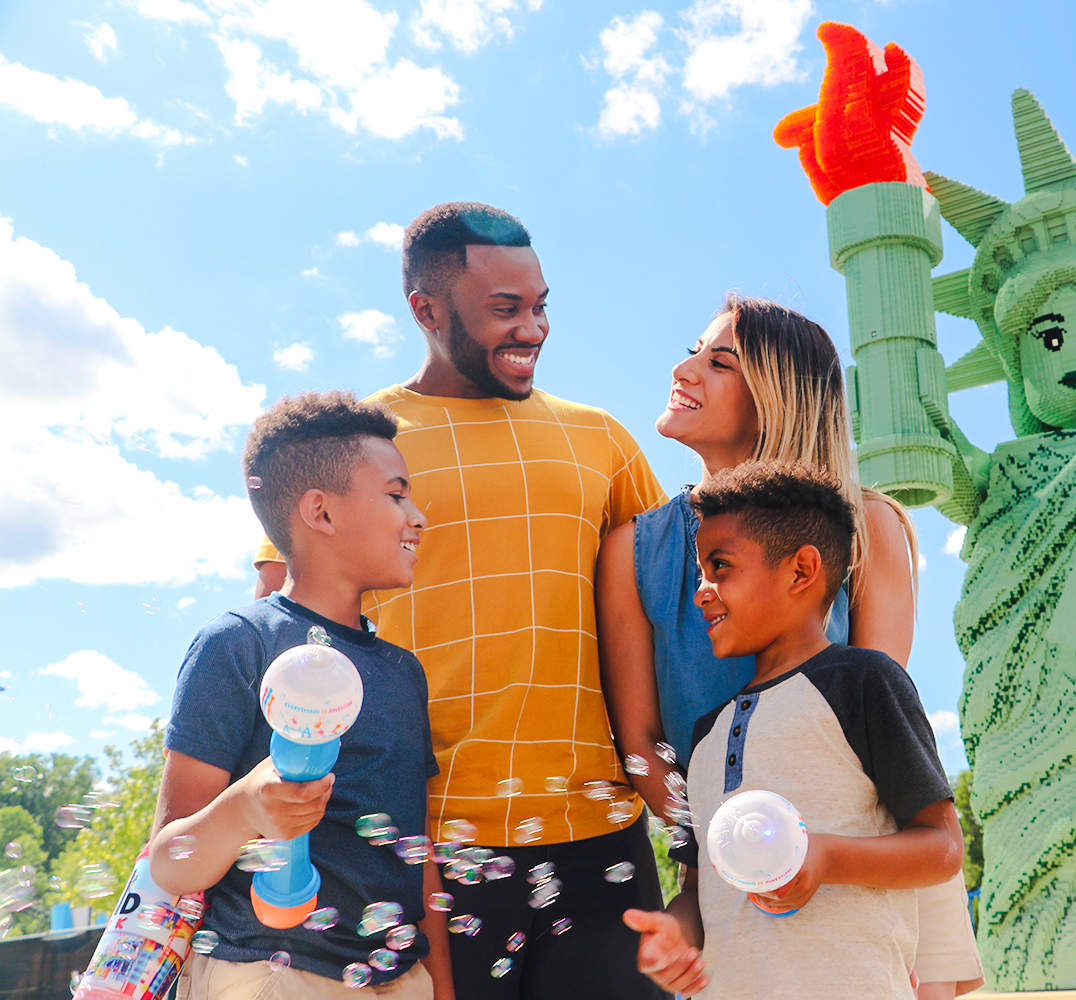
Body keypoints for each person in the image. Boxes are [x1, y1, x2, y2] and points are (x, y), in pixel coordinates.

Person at [255, 203, 668, 999]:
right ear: (427, 309)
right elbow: (289, 635)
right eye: (505, 310)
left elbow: (670, 616)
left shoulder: (605, 442)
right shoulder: (356, 447)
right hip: (421, 846)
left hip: (598, 839)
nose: (533, 329)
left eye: (541, 305)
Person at [596, 295, 982, 997]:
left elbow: (880, 724)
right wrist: (733, 842)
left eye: (720, 361)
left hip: (881, 860)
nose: (684, 369)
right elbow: (642, 741)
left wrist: (816, 854)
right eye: (694, 350)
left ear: (779, 397)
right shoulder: (631, 551)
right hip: (726, 870)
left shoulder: (868, 527)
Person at [621, 462, 963, 999]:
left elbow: (942, 847)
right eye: (699, 573)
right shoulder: (708, 733)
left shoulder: (864, 681)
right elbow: (700, 886)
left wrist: (824, 856)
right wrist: (676, 933)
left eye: (721, 568)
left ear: (801, 571)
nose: (701, 592)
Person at [151, 391, 449, 999]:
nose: (417, 516)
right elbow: (168, 862)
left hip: (398, 979)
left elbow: (418, 861)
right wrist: (245, 808)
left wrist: (438, 986)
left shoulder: (402, 671)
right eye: (397, 494)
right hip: (272, 974)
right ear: (321, 511)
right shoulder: (238, 644)